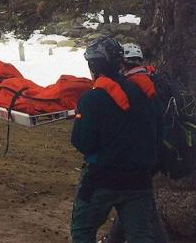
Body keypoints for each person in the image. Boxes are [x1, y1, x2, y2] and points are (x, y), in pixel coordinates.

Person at [71, 36, 160, 243]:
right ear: (120, 62)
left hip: (101, 178)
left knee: (83, 231)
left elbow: (83, 142)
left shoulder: (91, 99)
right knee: (141, 236)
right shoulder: (146, 93)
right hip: (139, 179)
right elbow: (158, 133)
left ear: (93, 65)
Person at [101, 43, 169, 243]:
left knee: (137, 201)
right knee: (140, 201)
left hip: (140, 156)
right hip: (155, 153)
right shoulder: (152, 78)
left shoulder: (135, 85)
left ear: (122, 63)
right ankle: (114, 238)